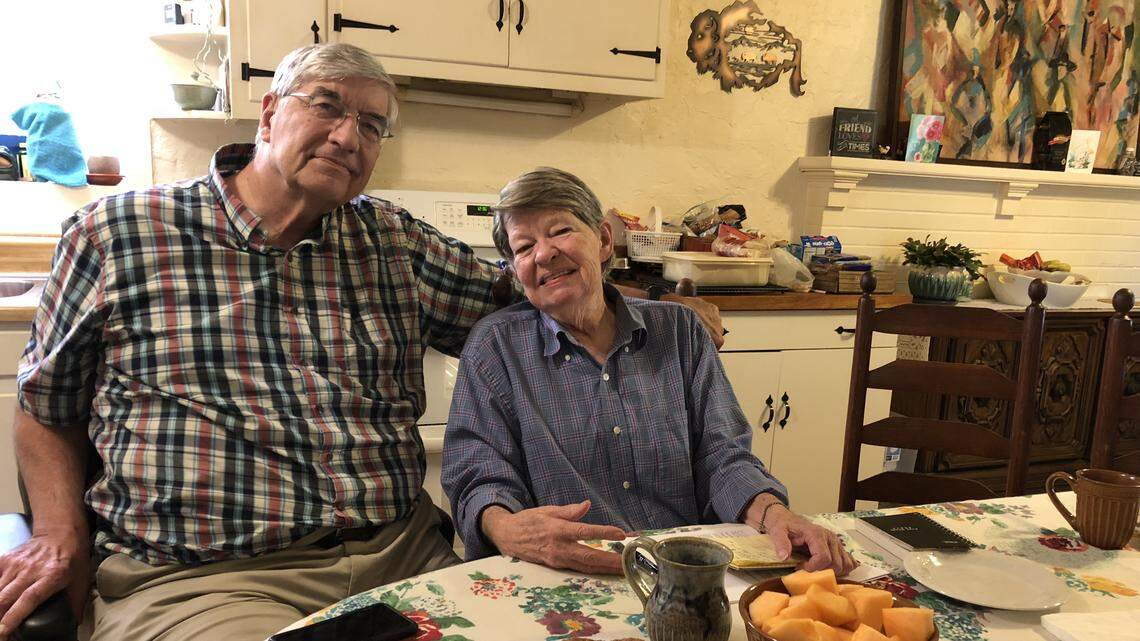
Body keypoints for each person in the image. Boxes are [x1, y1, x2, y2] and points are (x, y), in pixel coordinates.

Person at [0, 43, 727, 641]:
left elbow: (532, 290)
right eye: (327, 105)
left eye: (373, 125)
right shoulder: (120, 232)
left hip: (402, 555)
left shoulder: (392, 241)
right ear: (268, 111)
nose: (349, 135)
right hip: (209, 578)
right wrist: (59, 533)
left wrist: (656, 309)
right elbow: (44, 406)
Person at [441, 167, 857, 577]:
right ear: (514, 269)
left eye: (560, 231)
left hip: (683, 569)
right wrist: (508, 528)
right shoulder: (495, 347)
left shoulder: (678, 331)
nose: (544, 253)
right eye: (524, 246)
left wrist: (775, 513)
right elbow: (478, 474)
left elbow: (723, 454)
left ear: (604, 240)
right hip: (563, 575)